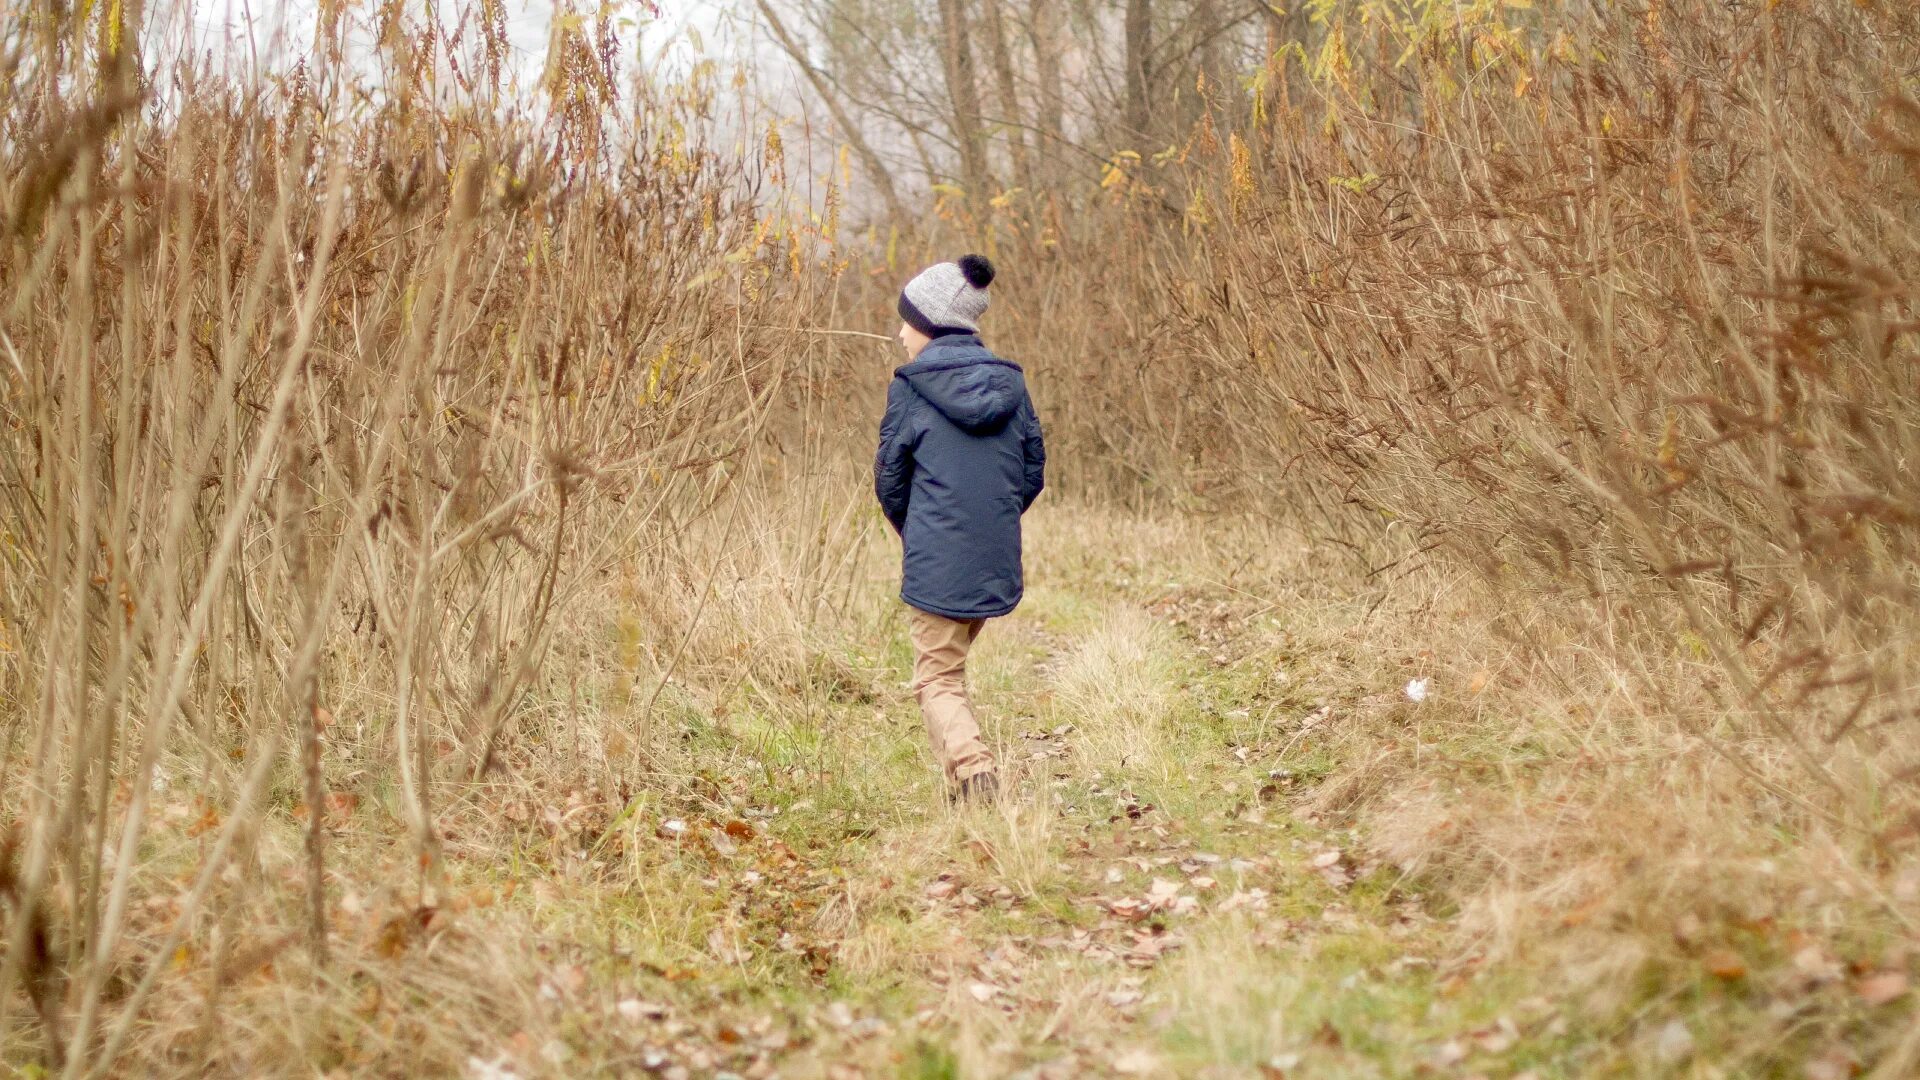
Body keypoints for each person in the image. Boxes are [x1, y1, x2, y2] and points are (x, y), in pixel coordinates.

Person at [874, 254, 1046, 805]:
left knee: (936, 679)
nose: (900, 333)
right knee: (950, 671)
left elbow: (889, 479)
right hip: (992, 554)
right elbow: (1031, 471)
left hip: (937, 555)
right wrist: (989, 519)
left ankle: (975, 774)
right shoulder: (1011, 387)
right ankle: (961, 786)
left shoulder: (911, 388)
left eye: (906, 321)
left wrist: (919, 529)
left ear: (928, 324)